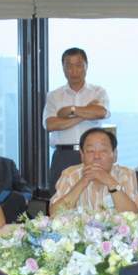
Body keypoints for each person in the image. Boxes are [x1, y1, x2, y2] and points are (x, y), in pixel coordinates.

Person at [44, 47, 109, 191]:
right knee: (60, 199)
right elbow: (50, 125)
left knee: (95, 197)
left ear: (86, 66)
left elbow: (101, 112)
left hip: (93, 155)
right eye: (69, 66)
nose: (74, 71)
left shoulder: (98, 92)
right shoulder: (54, 95)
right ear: (63, 68)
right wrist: (85, 113)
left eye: (78, 65)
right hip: (63, 156)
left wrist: (71, 111)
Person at [50, 128, 138, 214]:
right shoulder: (70, 175)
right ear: (82, 155)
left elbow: (133, 215)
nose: (96, 156)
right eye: (90, 151)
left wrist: (110, 182)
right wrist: (82, 182)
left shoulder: (126, 174)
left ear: (114, 154)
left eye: (103, 151)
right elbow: (54, 214)